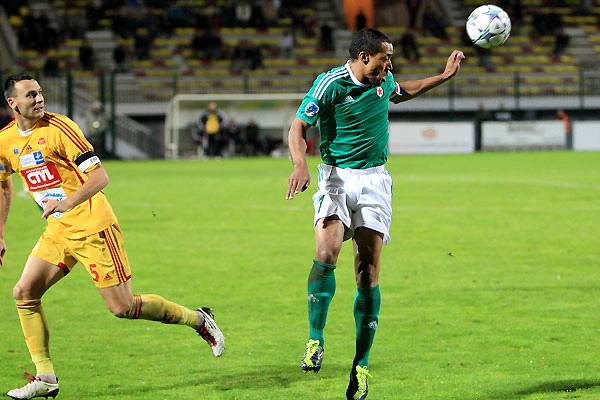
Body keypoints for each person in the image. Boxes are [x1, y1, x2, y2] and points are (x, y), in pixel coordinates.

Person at [0, 74, 225, 400]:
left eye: (40, 92)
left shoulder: (61, 128)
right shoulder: (6, 140)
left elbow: (100, 176)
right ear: (12, 103)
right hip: (59, 230)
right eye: (30, 95)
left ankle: (199, 319)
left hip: (94, 226)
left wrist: (66, 202)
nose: (39, 99)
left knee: (122, 307)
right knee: (24, 293)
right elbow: (3, 182)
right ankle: (45, 376)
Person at [286, 28, 464, 400]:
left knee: (367, 273)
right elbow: (298, 126)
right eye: (386, 58)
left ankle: (361, 365)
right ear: (365, 56)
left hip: (374, 182)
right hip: (335, 178)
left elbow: (405, 90)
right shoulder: (330, 83)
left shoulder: (384, 81)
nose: (390, 65)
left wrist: (443, 77)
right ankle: (315, 340)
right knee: (325, 252)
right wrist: (300, 163)